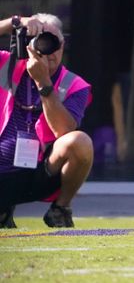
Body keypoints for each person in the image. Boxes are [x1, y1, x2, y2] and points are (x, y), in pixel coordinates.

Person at [0, 14, 93, 228]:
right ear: (28, 43)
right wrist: (15, 23)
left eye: (54, 42)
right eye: (41, 40)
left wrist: (43, 82)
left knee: (80, 142)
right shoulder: (6, 64)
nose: (48, 50)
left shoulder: (74, 84)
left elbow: (64, 131)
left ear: (63, 44)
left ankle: (60, 210)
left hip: (40, 174)